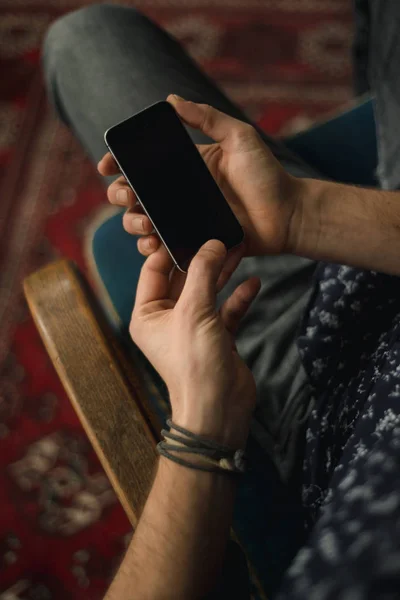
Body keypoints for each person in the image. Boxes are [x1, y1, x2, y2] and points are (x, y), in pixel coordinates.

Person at [43, 2, 400, 598]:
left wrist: (204, 417)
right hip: (350, 251)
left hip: (315, 367)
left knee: (85, 38)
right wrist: (302, 214)